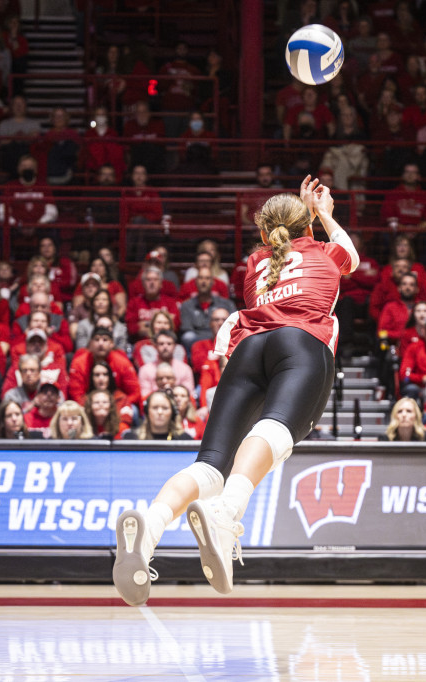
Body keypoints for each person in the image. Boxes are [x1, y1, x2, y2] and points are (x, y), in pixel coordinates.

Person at [113, 176, 359, 603]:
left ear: (264, 233)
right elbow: (349, 257)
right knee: (277, 431)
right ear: (309, 226)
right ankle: (226, 516)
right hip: (300, 342)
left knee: (210, 464)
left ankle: (149, 529)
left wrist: (305, 222)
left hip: (249, 349)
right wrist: (325, 214)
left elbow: (288, 252)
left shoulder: (255, 264)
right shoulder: (325, 251)